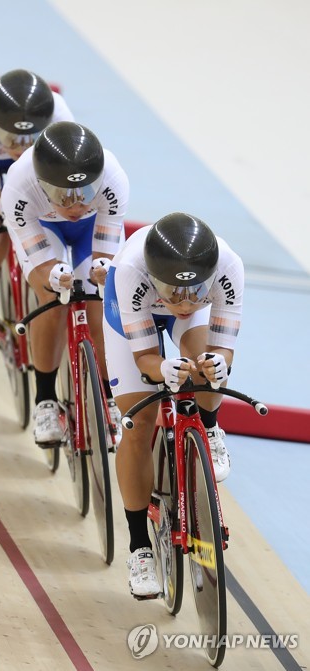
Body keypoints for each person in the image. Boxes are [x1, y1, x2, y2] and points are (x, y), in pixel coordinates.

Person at [102, 212, 244, 598]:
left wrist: (216, 363)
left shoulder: (229, 267)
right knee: (138, 422)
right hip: (133, 308)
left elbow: (223, 351)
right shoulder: (132, 271)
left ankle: (209, 428)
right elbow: (145, 357)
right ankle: (139, 547)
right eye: (175, 291)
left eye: (195, 291)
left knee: (206, 366)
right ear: (155, 276)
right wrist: (161, 367)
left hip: (175, 305)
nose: (184, 302)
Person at [1, 121, 130, 446]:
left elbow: (105, 254)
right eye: (64, 196)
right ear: (43, 185)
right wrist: (54, 276)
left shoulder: (114, 179)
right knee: (52, 297)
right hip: (44, 229)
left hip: (92, 230)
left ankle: (109, 396)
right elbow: (42, 265)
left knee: (101, 301)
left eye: (85, 193)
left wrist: (103, 270)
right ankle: (45, 400)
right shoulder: (19, 186)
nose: (76, 206)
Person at [0, 69, 74, 359]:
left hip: (38, 166)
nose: (20, 147)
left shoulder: (61, 118)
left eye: (29, 138)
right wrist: (12, 212)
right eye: (12, 137)